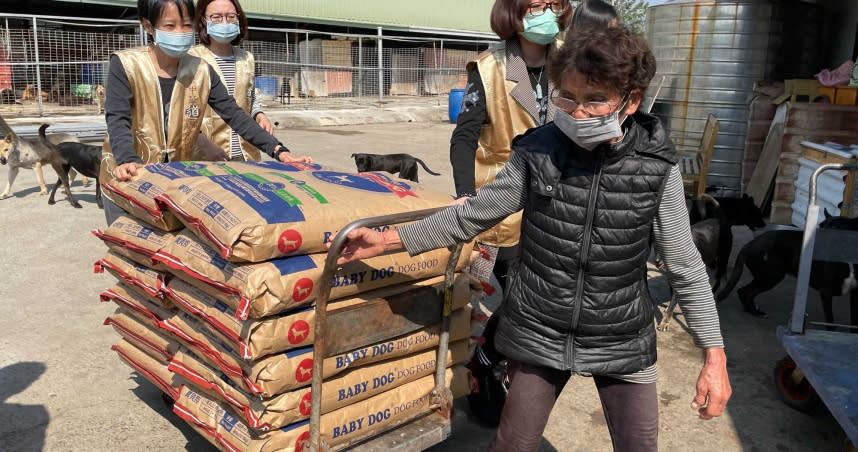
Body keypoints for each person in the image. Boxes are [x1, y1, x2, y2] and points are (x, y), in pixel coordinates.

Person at [333, 27, 731, 452]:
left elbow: (685, 264)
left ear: (631, 101)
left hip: (622, 331)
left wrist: (715, 355)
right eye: (567, 98)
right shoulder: (538, 150)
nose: (577, 114)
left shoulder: (657, 166)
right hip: (540, 322)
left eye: (595, 100)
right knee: (512, 445)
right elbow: (473, 214)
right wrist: (390, 240)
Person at [448, 0, 572, 425]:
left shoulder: (571, 59)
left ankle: (492, 357)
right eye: (535, 5)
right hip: (502, 202)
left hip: (559, 203)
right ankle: (485, 361)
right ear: (514, 14)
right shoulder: (489, 68)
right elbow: (463, 138)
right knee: (512, 298)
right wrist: (465, 194)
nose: (545, 13)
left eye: (553, 4)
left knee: (539, 299)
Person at [101, 0, 311, 225]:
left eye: (186, 25)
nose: (180, 33)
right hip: (128, 176)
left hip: (175, 178)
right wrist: (127, 160)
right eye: (170, 26)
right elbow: (118, 118)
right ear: (148, 26)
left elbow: (236, 115)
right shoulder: (126, 65)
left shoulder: (201, 70)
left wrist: (280, 151)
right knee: (130, 247)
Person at [190, 0, 271, 161]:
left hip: (246, 153)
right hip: (208, 154)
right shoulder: (191, 59)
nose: (225, 22)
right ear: (203, 21)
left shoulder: (246, 58)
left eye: (231, 16)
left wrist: (259, 114)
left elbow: (250, 96)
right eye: (216, 17)